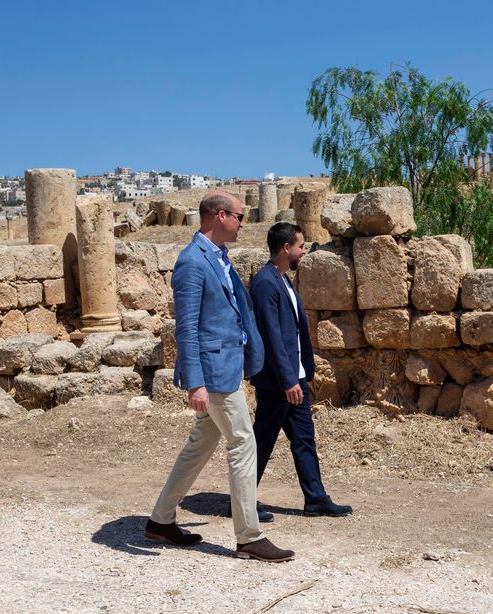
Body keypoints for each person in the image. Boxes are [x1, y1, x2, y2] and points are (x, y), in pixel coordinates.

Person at [146, 191, 294, 563]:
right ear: (220, 215)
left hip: (225, 366)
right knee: (244, 442)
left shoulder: (218, 258)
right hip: (213, 374)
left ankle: (161, 520)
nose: (244, 224)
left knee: (200, 444)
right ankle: (248, 536)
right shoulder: (192, 263)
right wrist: (195, 382)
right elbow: (187, 329)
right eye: (240, 217)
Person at [249, 222, 352, 518]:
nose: (304, 252)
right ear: (286, 248)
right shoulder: (265, 283)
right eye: (301, 246)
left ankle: (316, 497)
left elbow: (291, 334)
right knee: (263, 439)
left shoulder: (282, 280)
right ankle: (242, 500)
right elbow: (271, 337)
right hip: (278, 383)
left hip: (294, 378)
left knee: (304, 438)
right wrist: (287, 380)